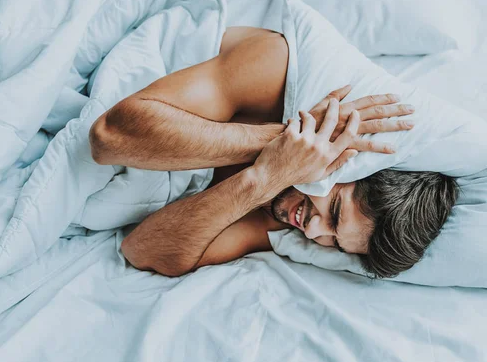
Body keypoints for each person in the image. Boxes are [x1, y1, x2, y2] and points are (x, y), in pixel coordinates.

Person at [89, 27, 458, 278]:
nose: (314, 233)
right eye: (334, 213)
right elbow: (109, 138)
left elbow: (141, 251)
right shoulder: (273, 65)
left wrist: (266, 177)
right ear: (349, 164)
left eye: (334, 243)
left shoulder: (285, 217)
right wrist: (283, 141)